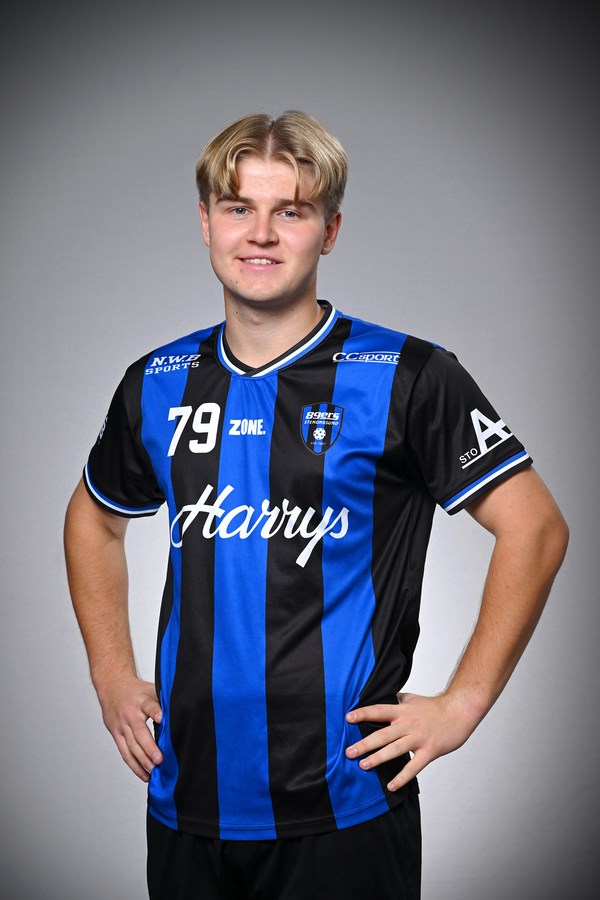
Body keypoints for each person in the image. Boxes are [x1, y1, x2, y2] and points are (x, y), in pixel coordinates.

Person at [64, 110, 568, 900]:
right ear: (205, 221)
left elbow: (535, 527)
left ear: (329, 230)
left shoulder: (408, 375)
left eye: (290, 211)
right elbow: (94, 518)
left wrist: (463, 703)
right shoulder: (157, 382)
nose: (260, 234)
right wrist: (111, 677)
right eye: (238, 207)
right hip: (186, 796)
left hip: (346, 806)